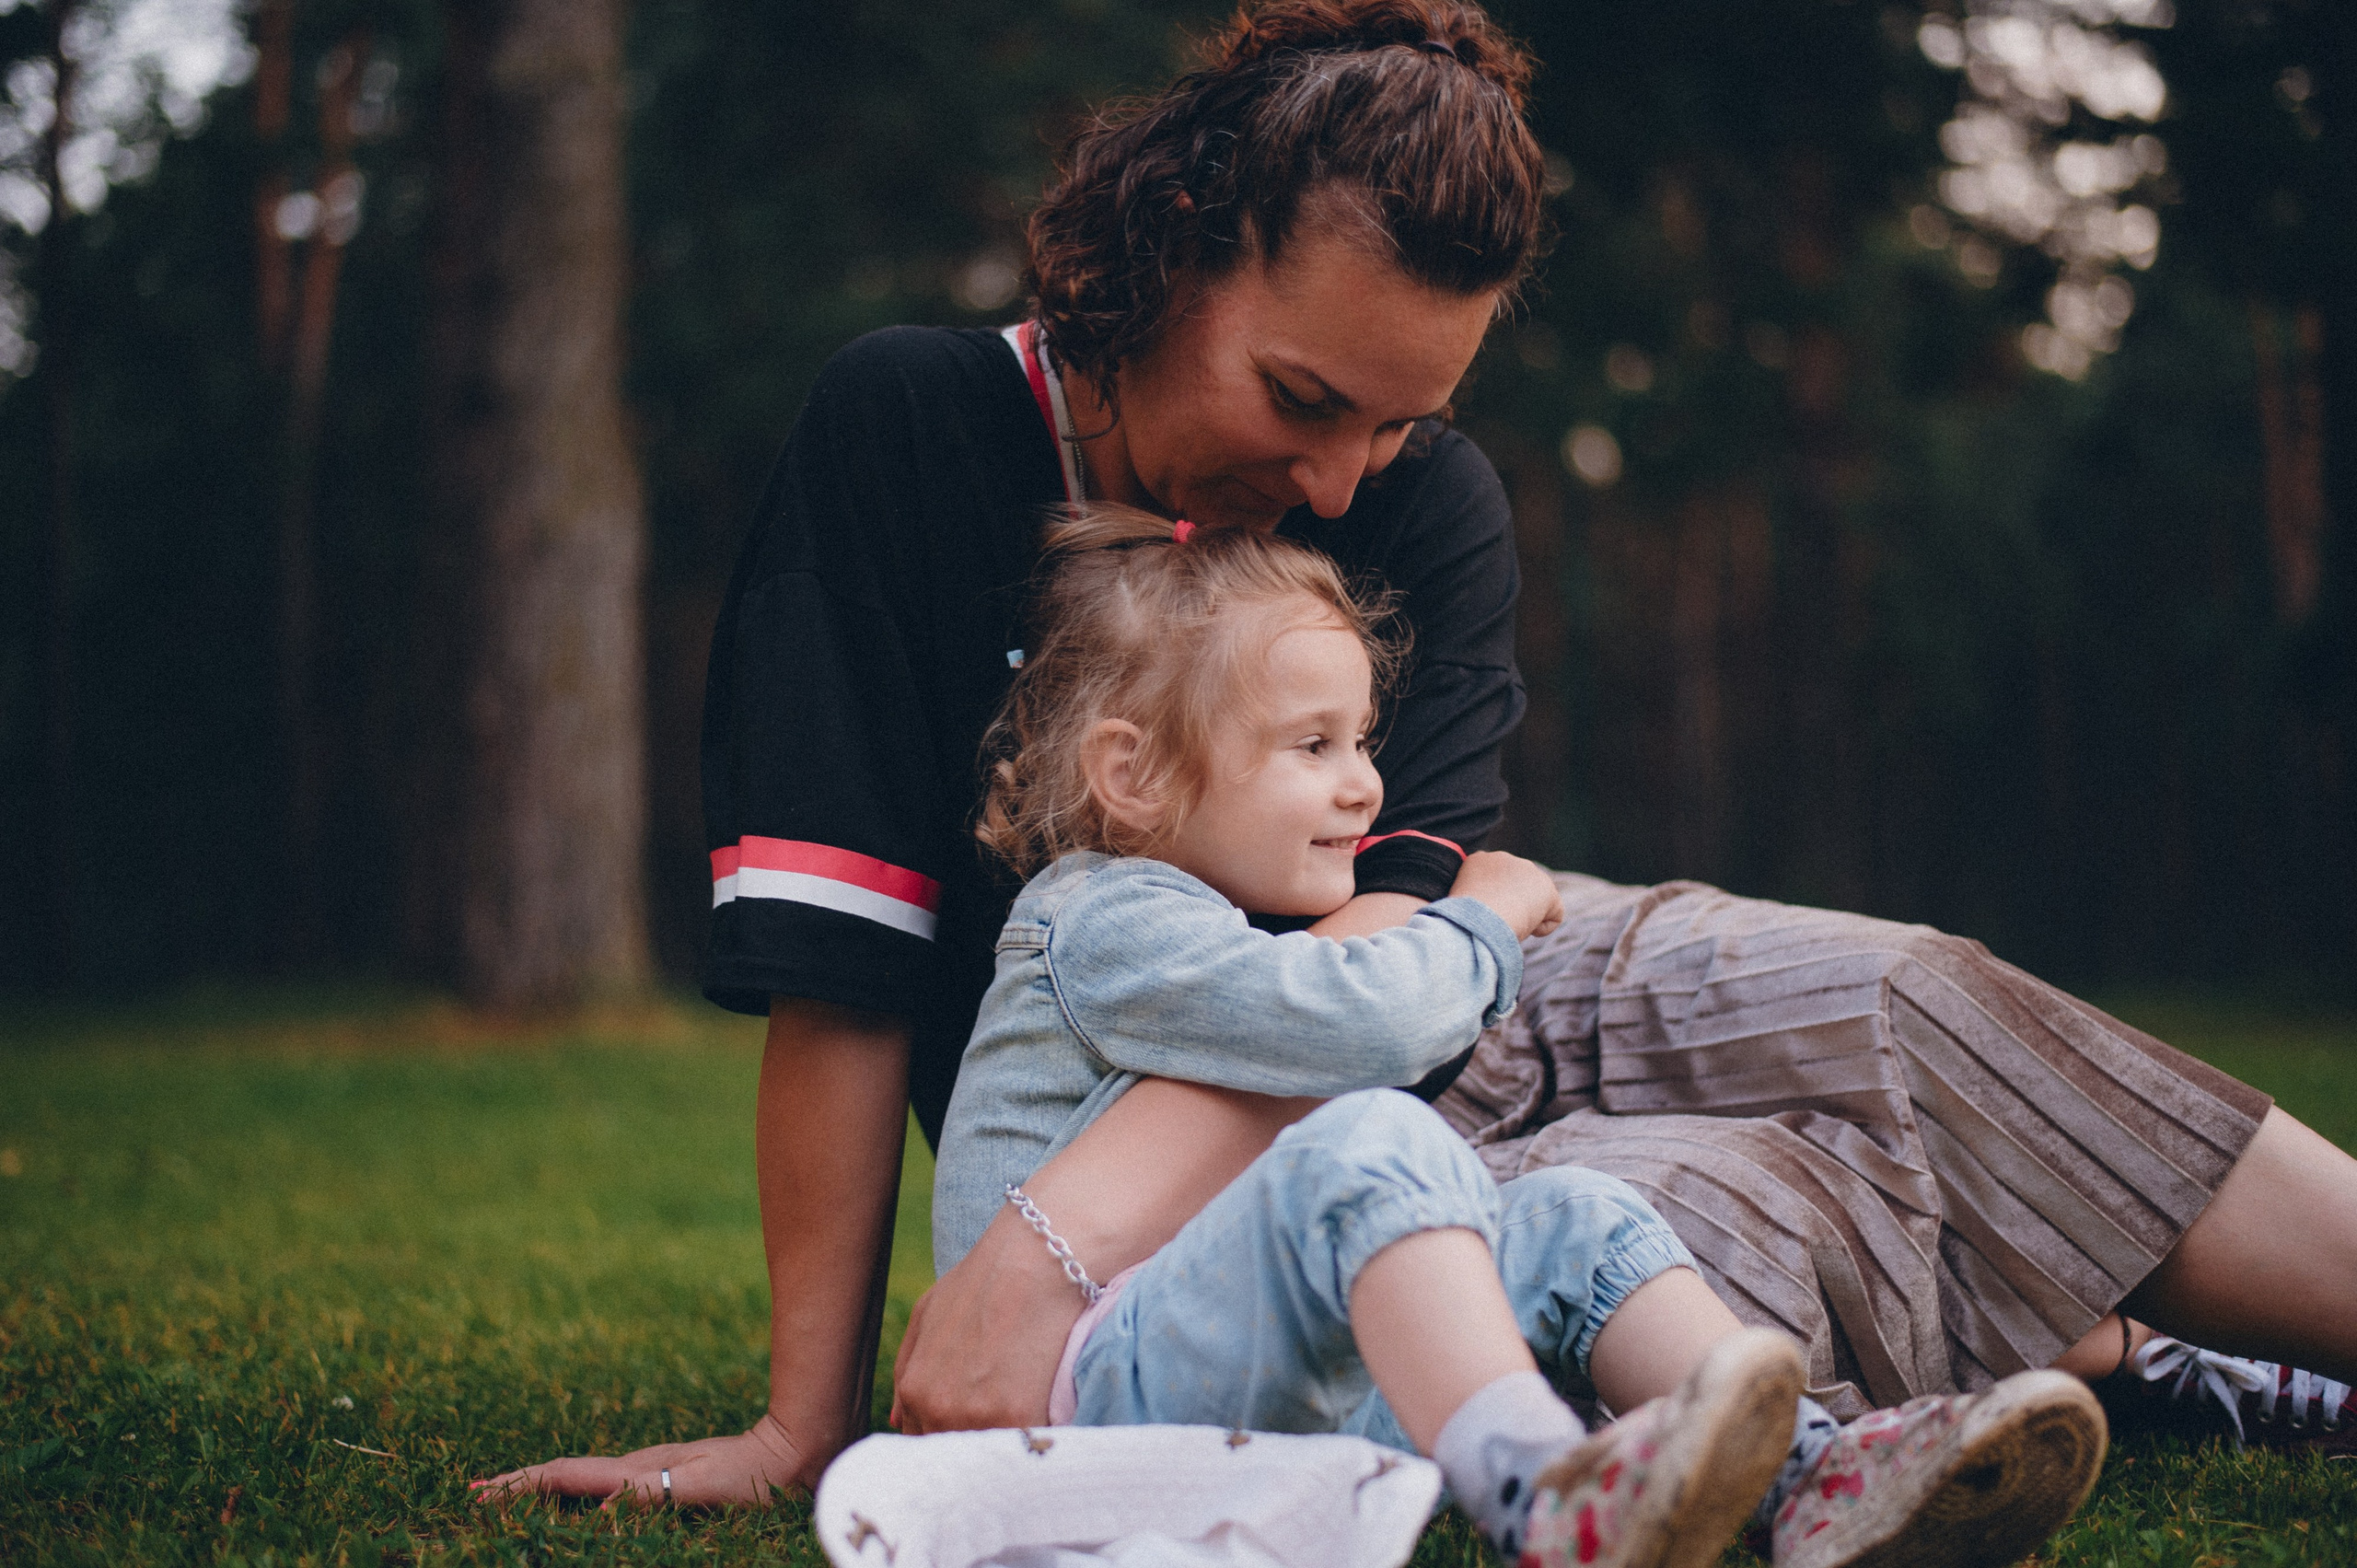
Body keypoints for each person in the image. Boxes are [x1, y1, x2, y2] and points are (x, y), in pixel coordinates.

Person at [475, 0, 2357, 1518]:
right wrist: (845, 1397)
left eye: (1399, 423)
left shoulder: (1431, 500)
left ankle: (2147, 1340)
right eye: (1300, 399)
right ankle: (2120, 1359)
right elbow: (846, 962)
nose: (1336, 485)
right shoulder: (906, 427)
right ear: (1170, 247)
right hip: (1226, 1127)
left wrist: (1486, 915)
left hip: (1455, 971)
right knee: (1684, 1213)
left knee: (1899, 1002)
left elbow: (1405, 941)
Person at [915, 502, 2106, 1568]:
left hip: (1225, 1384)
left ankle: (1818, 1476)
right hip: (1085, 1397)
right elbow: (1357, 1022)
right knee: (1371, 1143)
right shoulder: (1100, 918)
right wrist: (1476, 921)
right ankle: (1546, 1493)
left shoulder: (1191, 934)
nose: (1367, 786)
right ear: (1132, 775)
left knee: (1568, 1218)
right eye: (1313, 745)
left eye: (1364, 740)